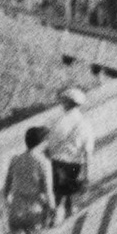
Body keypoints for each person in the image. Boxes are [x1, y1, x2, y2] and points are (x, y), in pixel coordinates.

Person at [43, 80, 94, 210]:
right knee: (71, 202)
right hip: (73, 166)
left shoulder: (55, 122)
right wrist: (87, 178)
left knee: (56, 201)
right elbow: (88, 154)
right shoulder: (85, 125)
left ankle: (54, 221)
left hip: (55, 164)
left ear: (65, 103)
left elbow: (47, 147)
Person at [6, 125, 61, 234]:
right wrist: (55, 213)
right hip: (34, 214)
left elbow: (6, 191)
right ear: (43, 142)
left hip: (15, 214)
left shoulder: (15, 160)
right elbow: (48, 193)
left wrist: (12, 206)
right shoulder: (43, 162)